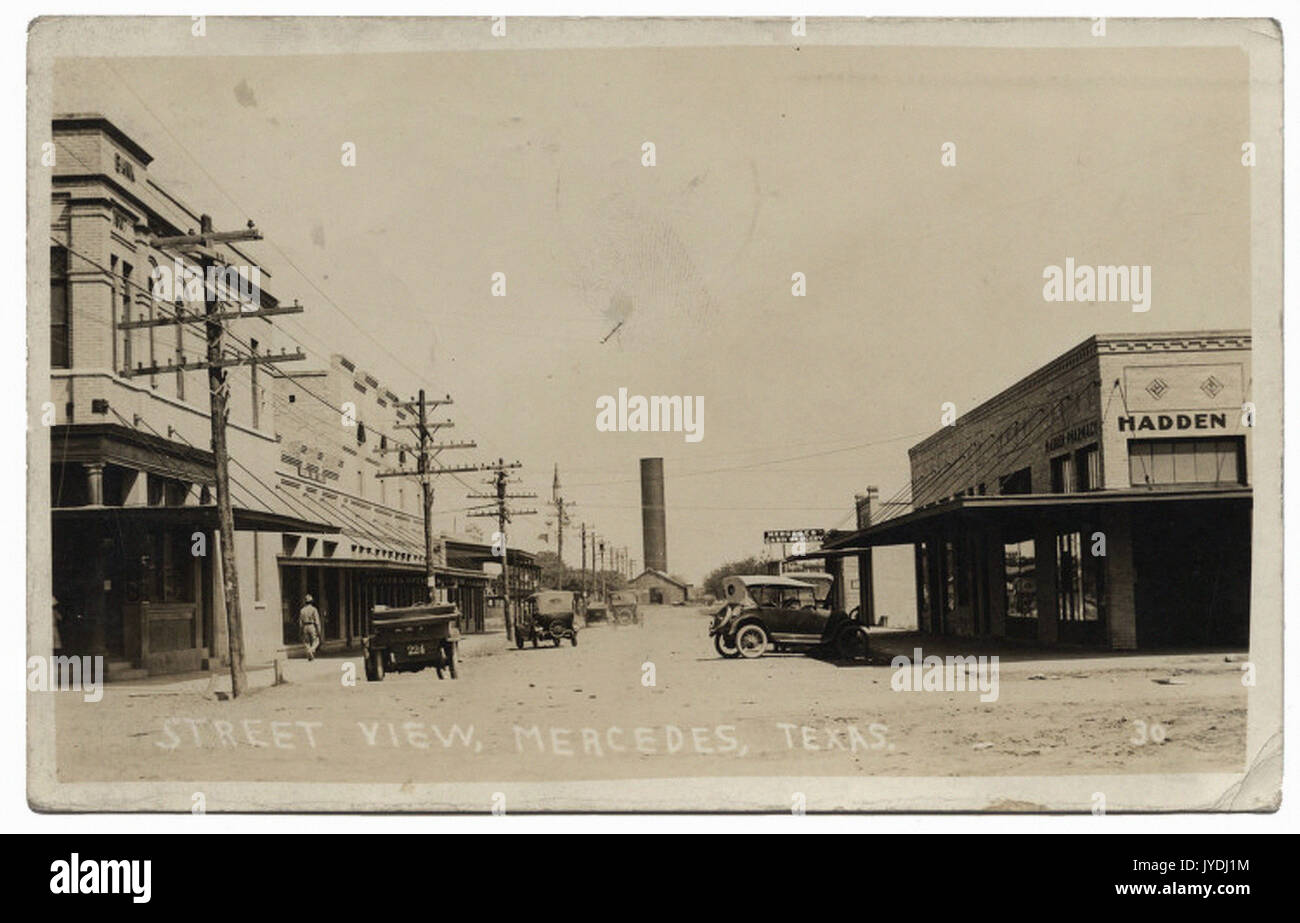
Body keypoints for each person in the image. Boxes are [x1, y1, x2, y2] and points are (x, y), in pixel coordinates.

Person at [298, 594, 322, 661]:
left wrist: (300, 630)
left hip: (305, 626)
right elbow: (317, 621)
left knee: (306, 642)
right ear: (312, 602)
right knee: (316, 641)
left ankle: (310, 656)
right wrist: (319, 630)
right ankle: (311, 650)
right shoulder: (314, 609)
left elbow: (300, 622)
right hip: (312, 626)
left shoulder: (302, 610)